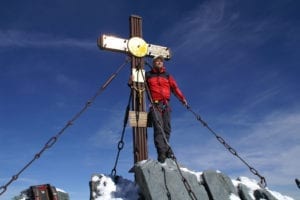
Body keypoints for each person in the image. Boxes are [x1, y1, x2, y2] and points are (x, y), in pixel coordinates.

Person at [146, 55, 188, 163]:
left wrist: (182, 99)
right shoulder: (148, 75)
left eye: (161, 61)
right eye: (157, 61)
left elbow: (174, 87)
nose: (159, 63)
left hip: (166, 104)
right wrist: (132, 79)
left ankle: (167, 150)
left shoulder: (167, 75)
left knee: (167, 129)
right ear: (154, 63)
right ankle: (162, 154)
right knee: (159, 129)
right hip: (155, 105)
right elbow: (141, 85)